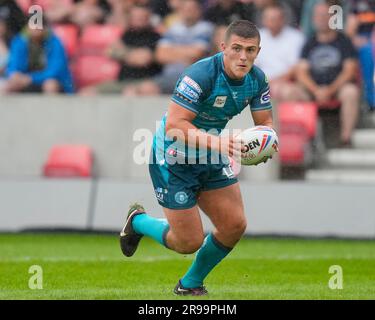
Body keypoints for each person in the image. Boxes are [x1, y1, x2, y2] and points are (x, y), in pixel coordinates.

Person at [120, 20, 274, 295]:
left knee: (234, 225)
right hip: (172, 157)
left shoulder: (258, 80)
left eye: (250, 50)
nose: (243, 56)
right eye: (236, 48)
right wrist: (219, 143)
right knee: (187, 242)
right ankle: (138, 222)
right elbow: (175, 126)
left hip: (211, 155)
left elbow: (266, 125)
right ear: (223, 47)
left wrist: (264, 145)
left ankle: (190, 284)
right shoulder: (200, 74)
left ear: (257, 51)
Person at [295, 1, 360, 147]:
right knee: (291, 93)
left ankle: (346, 139)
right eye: (318, 16)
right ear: (313, 18)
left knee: (351, 92)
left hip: (337, 89)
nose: (321, 19)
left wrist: (330, 90)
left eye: (325, 15)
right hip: (313, 90)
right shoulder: (309, 43)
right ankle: (303, 142)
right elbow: (301, 72)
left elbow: (349, 71)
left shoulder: (344, 41)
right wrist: (316, 90)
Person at [124, 0, 214, 95]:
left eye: (192, 9)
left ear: (199, 10)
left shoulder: (206, 28)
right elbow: (160, 55)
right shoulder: (174, 28)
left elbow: (196, 54)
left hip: (193, 77)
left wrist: (172, 51)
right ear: (180, 10)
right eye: (186, 9)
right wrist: (186, 52)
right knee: (134, 90)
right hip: (169, 75)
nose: (188, 12)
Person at [5, 17, 74, 94]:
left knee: (50, 85)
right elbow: (13, 65)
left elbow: (55, 71)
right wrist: (14, 75)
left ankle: (51, 106)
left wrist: (31, 78)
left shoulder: (55, 42)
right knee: (7, 86)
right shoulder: (20, 41)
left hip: (49, 81)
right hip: (26, 80)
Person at [255, 3, 306, 102]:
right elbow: (251, 66)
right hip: (260, 81)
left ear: (282, 19)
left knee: (285, 91)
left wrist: (275, 82)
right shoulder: (257, 36)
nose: (270, 22)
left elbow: (296, 68)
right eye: (268, 18)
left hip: (287, 82)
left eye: (274, 19)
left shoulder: (296, 37)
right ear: (263, 20)